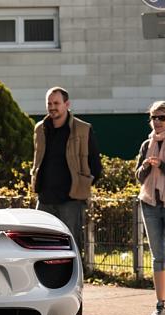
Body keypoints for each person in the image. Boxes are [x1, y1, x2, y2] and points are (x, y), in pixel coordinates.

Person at [31, 87, 103, 252]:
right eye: (49, 103)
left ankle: (74, 277)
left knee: (71, 247)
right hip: (44, 199)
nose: (52, 107)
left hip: (70, 201)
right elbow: (37, 159)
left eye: (56, 103)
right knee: (42, 246)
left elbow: (96, 166)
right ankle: (47, 278)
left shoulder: (83, 129)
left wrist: (82, 186)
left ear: (67, 104)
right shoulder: (39, 129)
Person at [135, 100, 165, 315]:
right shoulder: (145, 144)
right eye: (153, 118)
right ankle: (160, 304)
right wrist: (147, 165)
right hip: (149, 203)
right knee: (158, 256)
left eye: (162, 117)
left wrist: (163, 166)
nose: (157, 122)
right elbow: (138, 177)